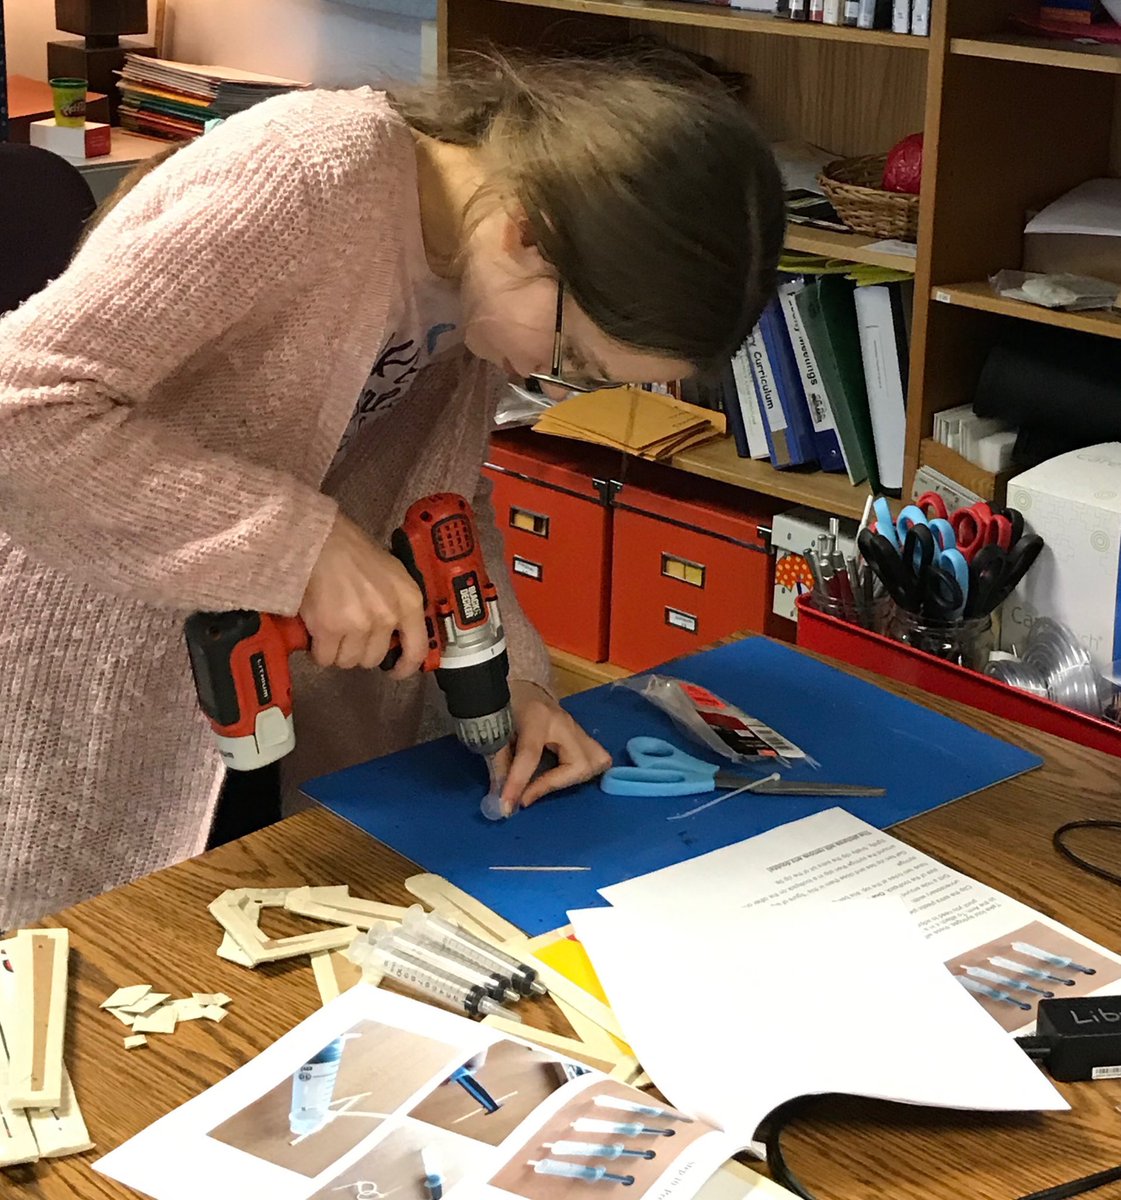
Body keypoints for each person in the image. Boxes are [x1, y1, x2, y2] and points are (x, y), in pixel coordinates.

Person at [0, 50, 786, 929]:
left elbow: (442, 504)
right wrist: (300, 544)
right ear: (529, 229)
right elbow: (22, 406)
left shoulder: (482, 276)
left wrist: (516, 679)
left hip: (266, 706)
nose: (544, 374)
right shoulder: (304, 177)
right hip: (94, 680)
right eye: (571, 357)